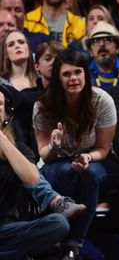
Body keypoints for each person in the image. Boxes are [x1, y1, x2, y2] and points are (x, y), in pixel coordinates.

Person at [32, 49, 119, 258]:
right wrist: (54, 146)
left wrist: (88, 157)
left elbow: (103, 149)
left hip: (96, 158)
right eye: (66, 74)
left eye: (78, 72)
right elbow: (44, 155)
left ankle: (72, 244)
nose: (73, 78)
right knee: (64, 172)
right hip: (58, 160)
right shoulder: (43, 105)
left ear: (85, 74)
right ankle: (58, 241)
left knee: (88, 174)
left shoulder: (102, 100)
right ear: (58, 78)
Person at [0, 87, 75, 259]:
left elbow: (33, 178)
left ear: (7, 112)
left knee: (59, 224)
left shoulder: (18, 148)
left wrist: (1, 138)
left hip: (5, 228)